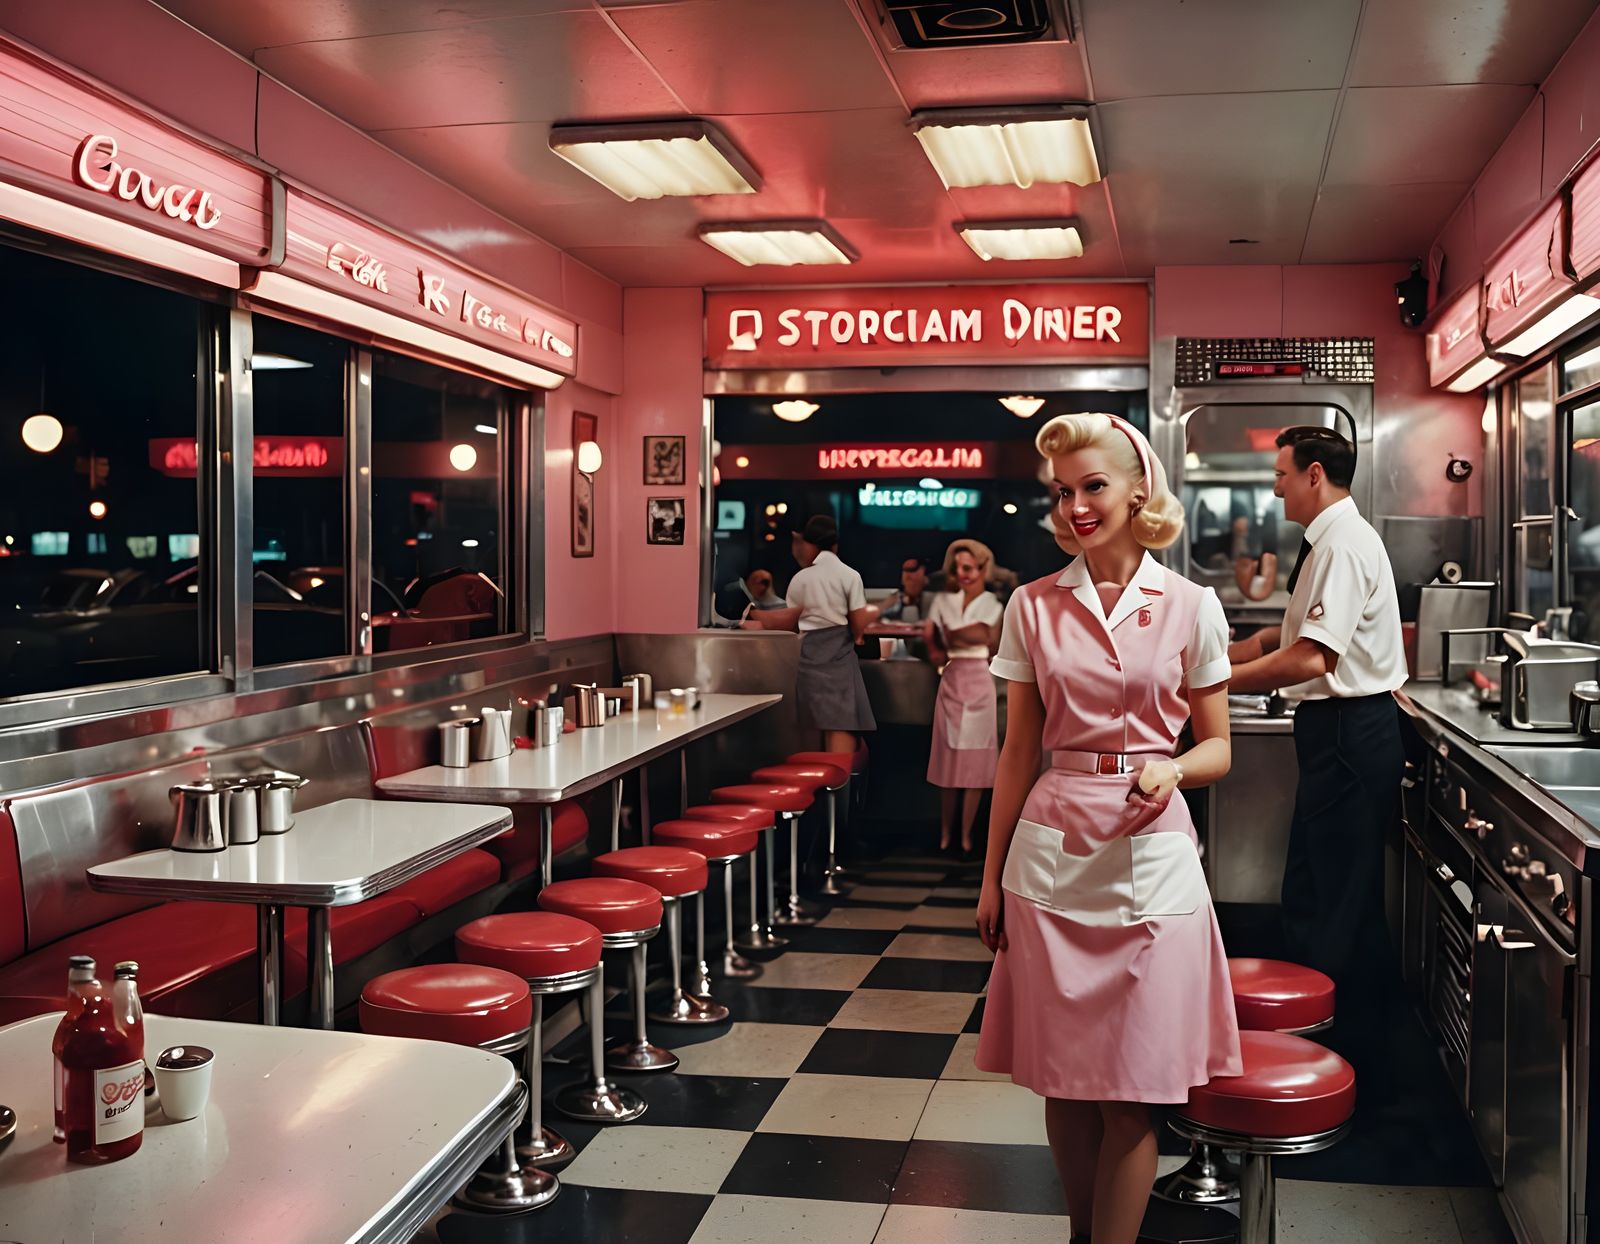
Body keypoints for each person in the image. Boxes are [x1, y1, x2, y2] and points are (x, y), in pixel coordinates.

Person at [974, 413, 1238, 1244]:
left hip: (1154, 855)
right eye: (1064, 492)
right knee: (1066, 1083)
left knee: (1132, 1089)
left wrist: (1173, 767)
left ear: (1137, 488)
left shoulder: (1192, 606)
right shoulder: (1031, 605)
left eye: (1094, 486)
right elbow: (1017, 752)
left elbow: (1219, 747)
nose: (1078, 506)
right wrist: (987, 879)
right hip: (1050, 856)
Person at [1228, 427, 1405, 1070]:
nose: (1274, 486)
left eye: (1280, 474)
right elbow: (1281, 639)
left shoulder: (1344, 544)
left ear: (1313, 476)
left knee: (1331, 900)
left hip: (1349, 733)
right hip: (1341, 734)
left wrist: (1211, 682)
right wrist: (1211, 651)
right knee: (1325, 889)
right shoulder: (1326, 541)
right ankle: (1356, 1043)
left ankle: (1331, 1053)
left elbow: (1310, 657)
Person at [743, 514, 877, 754]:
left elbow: (793, 624)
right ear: (834, 544)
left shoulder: (800, 578)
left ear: (808, 544)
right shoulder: (851, 575)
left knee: (811, 724)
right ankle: (839, 786)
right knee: (841, 723)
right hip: (840, 658)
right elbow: (858, 626)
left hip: (808, 656)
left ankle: (816, 787)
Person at [924, 538, 1003, 858]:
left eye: (969, 568)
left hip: (979, 681)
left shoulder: (993, 604)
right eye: (958, 568)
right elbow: (933, 639)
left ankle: (967, 835)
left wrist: (954, 634)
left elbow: (987, 638)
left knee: (975, 765)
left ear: (983, 568)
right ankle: (945, 834)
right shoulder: (943, 601)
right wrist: (939, 649)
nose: (963, 574)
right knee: (949, 763)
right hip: (952, 677)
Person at [879, 556, 931, 622]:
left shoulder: (931, 599)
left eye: (913, 582)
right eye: (908, 580)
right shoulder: (896, 599)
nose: (911, 585)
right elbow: (881, 612)